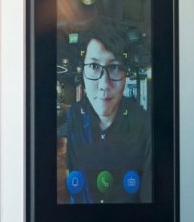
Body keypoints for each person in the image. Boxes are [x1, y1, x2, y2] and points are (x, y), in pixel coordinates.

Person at [58, 22, 153, 204]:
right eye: (94, 67)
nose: (104, 84)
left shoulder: (143, 123)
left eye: (115, 67)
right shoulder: (76, 114)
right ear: (84, 71)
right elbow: (74, 175)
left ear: (125, 74)